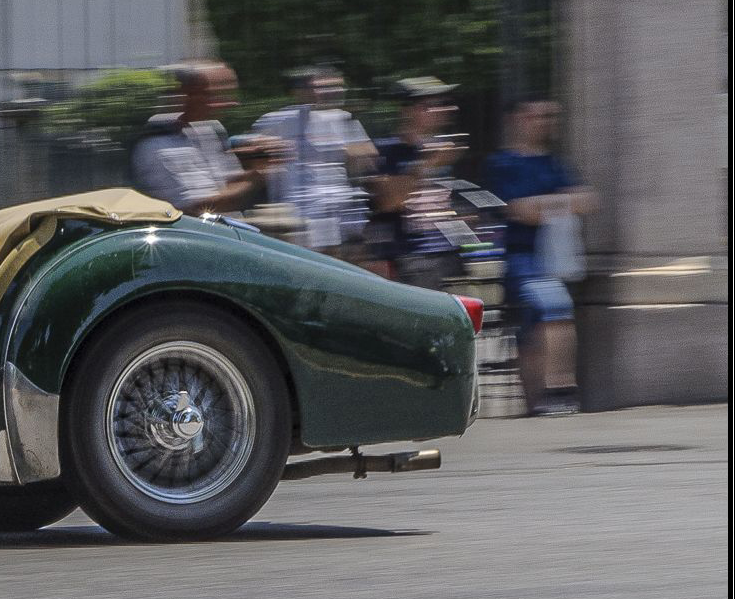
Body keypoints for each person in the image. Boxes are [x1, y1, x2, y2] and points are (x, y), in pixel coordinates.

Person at [485, 97, 594, 416]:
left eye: (551, 116)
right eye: (539, 115)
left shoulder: (555, 163)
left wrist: (540, 205)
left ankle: (543, 402)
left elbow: (589, 201)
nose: (547, 122)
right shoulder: (502, 163)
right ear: (519, 119)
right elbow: (517, 210)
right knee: (553, 309)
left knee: (536, 329)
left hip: (555, 259)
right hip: (522, 258)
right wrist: (560, 202)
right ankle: (554, 392)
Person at [130, 60, 283, 215]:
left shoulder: (206, 131)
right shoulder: (157, 145)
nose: (231, 103)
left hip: (228, 232)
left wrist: (258, 160)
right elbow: (198, 208)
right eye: (218, 95)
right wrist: (258, 176)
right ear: (189, 94)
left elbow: (224, 182)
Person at [252, 66, 377, 255]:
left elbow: (369, 155)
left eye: (325, 88)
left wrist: (340, 149)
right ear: (298, 92)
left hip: (340, 207)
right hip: (298, 210)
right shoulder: (277, 120)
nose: (320, 93)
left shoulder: (343, 119)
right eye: (313, 88)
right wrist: (268, 152)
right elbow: (245, 147)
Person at [365, 77, 467, 286]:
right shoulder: (386, 151)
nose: (448, 109)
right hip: (411, 260)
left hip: (449, 255)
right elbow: (388, 203)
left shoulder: (443, 147)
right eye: (435, 104)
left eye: (446, 103)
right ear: (409, 110)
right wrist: (427, 164)